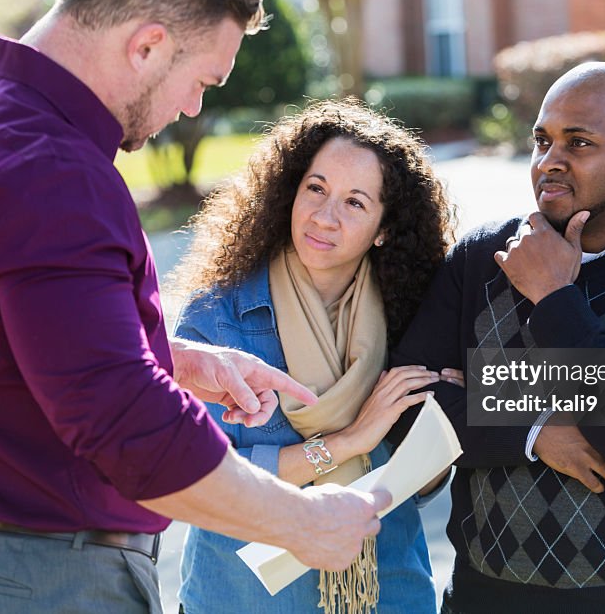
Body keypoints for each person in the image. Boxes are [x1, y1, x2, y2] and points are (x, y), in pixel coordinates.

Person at [0, 0, 388, 612]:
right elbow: (126, 427)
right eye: (202, 80)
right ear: (146, 45)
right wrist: (306, 523)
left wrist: (165, 358)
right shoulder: (52, 169)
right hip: (47, 580)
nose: (193, 108)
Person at [387, 62, 605, 614]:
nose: (549, 161)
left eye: (578, 143)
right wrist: (534, 433)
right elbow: (406, 404)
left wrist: (553, 298)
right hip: (479, 598)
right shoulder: (482, 257)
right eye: (542, 140)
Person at [168, 98, 457, 614]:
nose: (324, 217)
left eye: (354, 203)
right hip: (243, 600)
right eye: (316, 189)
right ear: (290, 193)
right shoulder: (219, 317)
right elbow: (206, 482)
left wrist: (441, 434)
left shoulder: (414, 320)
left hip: (387, 593)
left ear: (385, 228)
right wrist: (350, 441)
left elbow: (425, 485)